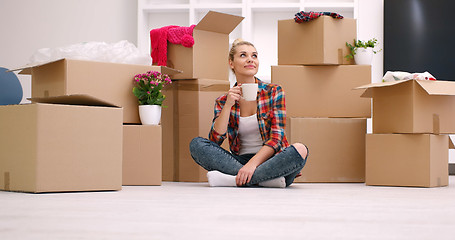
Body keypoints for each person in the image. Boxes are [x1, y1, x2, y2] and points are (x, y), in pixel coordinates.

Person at [189, 39, 308, 188]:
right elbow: (215, 140)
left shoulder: (274, 91)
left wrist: (251, 166)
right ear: (231, 63)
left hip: (272, 160)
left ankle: (234, 179)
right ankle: (266, 180)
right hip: (238, 161)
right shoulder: (223, 100)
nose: (250, 59)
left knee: (300, 149)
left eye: (254, 56)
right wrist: (228, 105)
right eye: (243, 55)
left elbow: (276, 139)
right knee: (197, 144)